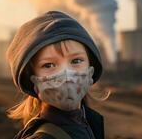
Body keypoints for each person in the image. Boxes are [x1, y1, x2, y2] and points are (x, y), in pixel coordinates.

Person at [6, 10, 106, 139]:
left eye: (76, 61)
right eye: (49, 65)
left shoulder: (89, 123)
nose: (67, 76)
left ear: (90, 69)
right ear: (33, 79)